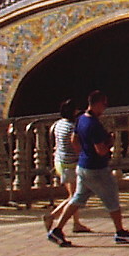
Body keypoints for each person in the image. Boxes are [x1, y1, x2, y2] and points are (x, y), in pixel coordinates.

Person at [57, 92, 129, 243]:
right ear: (96, 104)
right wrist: (110, 142)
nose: (105, 107)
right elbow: (101, 150)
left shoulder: (81, 119)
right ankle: (120, 231)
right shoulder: (93, 125)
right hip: (97, 168)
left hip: (83, 166)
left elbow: (74, 140)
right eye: (104, 104)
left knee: (77, 198)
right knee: (112, 199)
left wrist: (83, 153)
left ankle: (57, 229)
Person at [40, 98, 94, 244]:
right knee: (75, 197)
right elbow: (77, 146)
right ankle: (52, 216)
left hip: (60, 162)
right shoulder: (72, 127)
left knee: (72, 194)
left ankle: (76, 223)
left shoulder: (59, 124)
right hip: (71, 165)